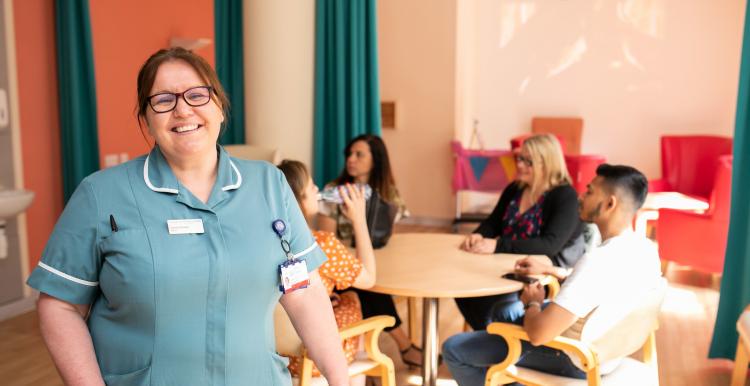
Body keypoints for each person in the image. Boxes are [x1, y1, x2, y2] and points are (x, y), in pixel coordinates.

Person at [26, 47, 349, 386]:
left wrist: (340, 379)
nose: (183, 110)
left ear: (220, 107)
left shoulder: (270, 185)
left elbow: (303, 290)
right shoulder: (101, 195)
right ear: (146, 119)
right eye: (163, 100)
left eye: (198, 95)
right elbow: (59, 306)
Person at [443, 164, 662, 386]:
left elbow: (538, 334)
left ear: (609, 204)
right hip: (611, 352)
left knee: (454, 349)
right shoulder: (644, 250)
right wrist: (552, 271)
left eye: (589, 191)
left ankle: (502, 369)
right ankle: (503, 368)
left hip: (576, 358)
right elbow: (605, 287)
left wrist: (533, 304)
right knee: (503, 311)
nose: (581, 196)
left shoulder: (596, 263)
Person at [457, 134, 586, 331]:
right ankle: (491, 341)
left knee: (483, 297)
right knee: (463, 286)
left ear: (547, 163)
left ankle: (493, 342)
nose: (520, 165)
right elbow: (493, 223)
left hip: (541, 275)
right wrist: (480, 234)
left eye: (528, 161)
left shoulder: (564, 196)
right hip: (508, 264)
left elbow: (550, 244)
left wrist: (498, 245)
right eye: (520, 158)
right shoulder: (514, 189)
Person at [317, 134, 420, 366]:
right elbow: (329, 241)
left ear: (376, 160)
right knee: (368, 288)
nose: (351, 159)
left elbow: (390, 236)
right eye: (350, 155)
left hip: (377, 259)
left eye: (359, 154)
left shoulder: (388, 193)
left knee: (370, 284)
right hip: (343, 265)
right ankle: (403, 346)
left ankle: (370, 354)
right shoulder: (334, 191)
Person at [277, 159, 377, 377]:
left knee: (342, 298)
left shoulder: (261, 242)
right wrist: (359, 220)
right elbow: (369, 279)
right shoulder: (321, 245)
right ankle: (355, 378)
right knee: (353, 299)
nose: (316, 189)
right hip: (313, 360)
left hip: (272, 356)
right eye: (310, 186)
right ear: (297, 200)